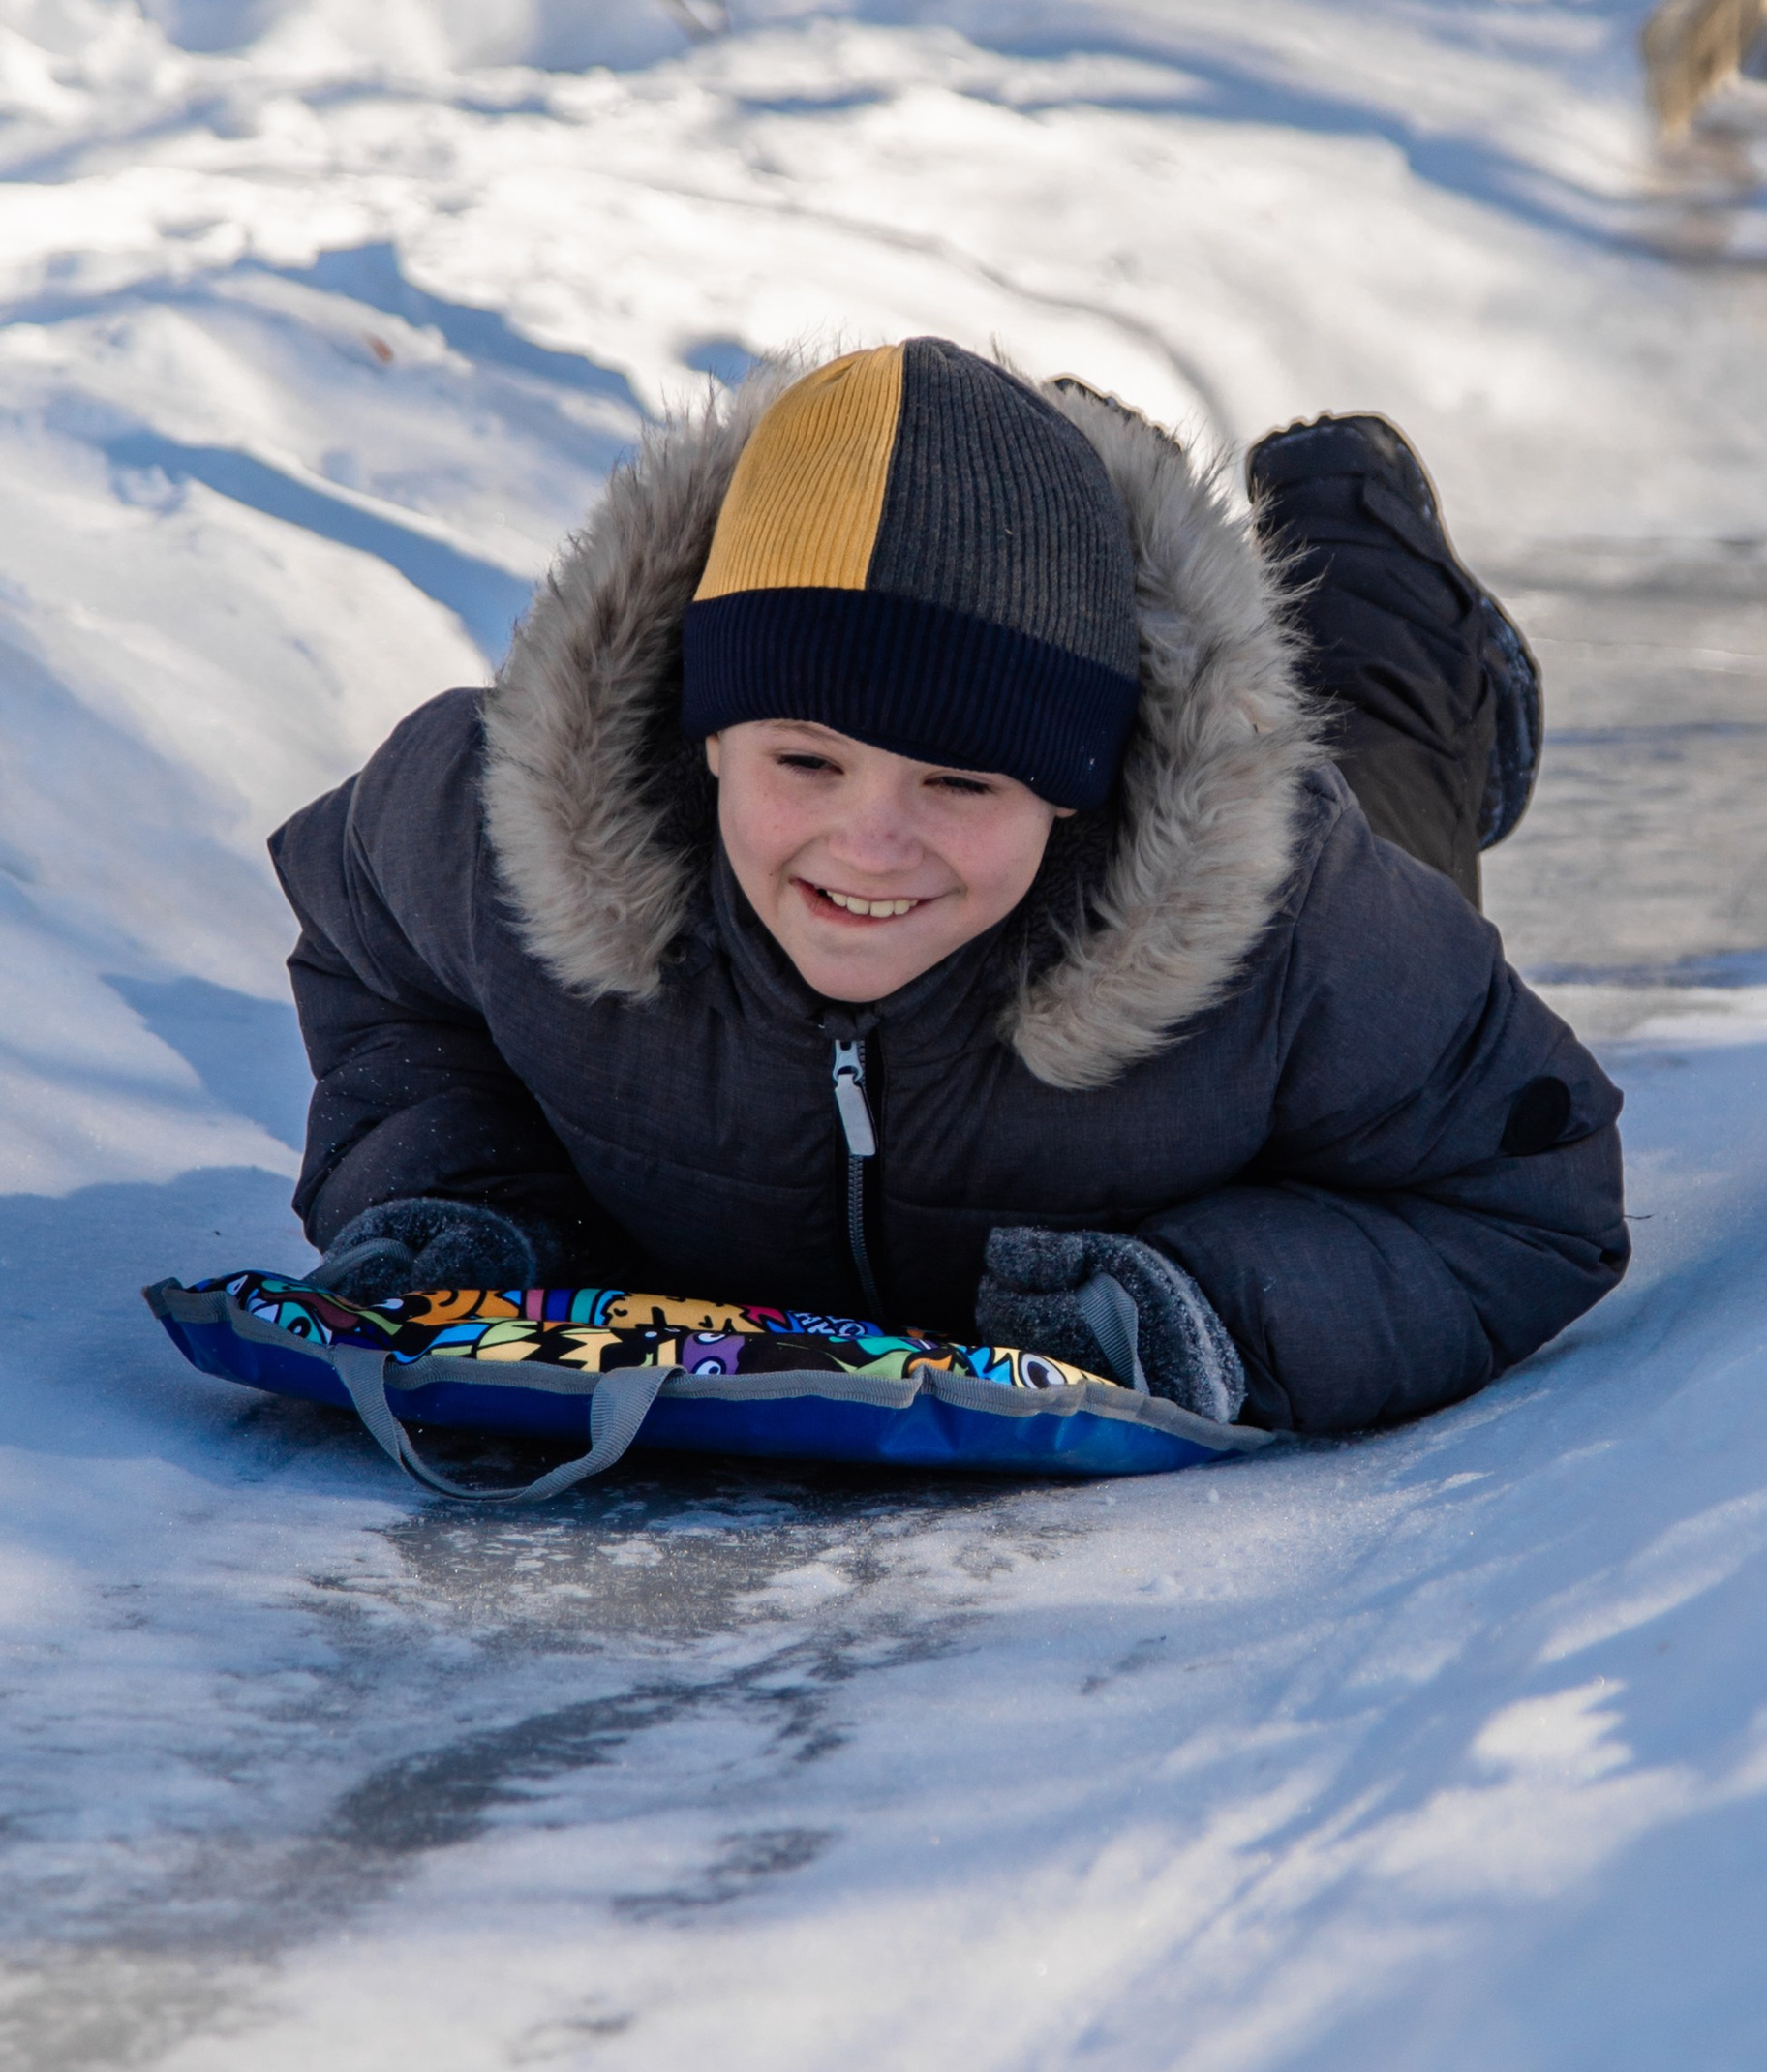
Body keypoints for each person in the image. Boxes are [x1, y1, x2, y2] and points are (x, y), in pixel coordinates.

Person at [271, 341, 1628, 1437]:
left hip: (1279, 840)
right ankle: (1071, 469)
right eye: (807, 761)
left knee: (1369, 733)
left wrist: (1198, 1304)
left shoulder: (1296, 925)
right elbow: (379, 966)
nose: (872, 844)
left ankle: (1363, 525)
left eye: (962, 786)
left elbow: (1526, 1200)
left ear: (1072, 791)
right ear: (704, 737)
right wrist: (474, 1207)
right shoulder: (494, 826)